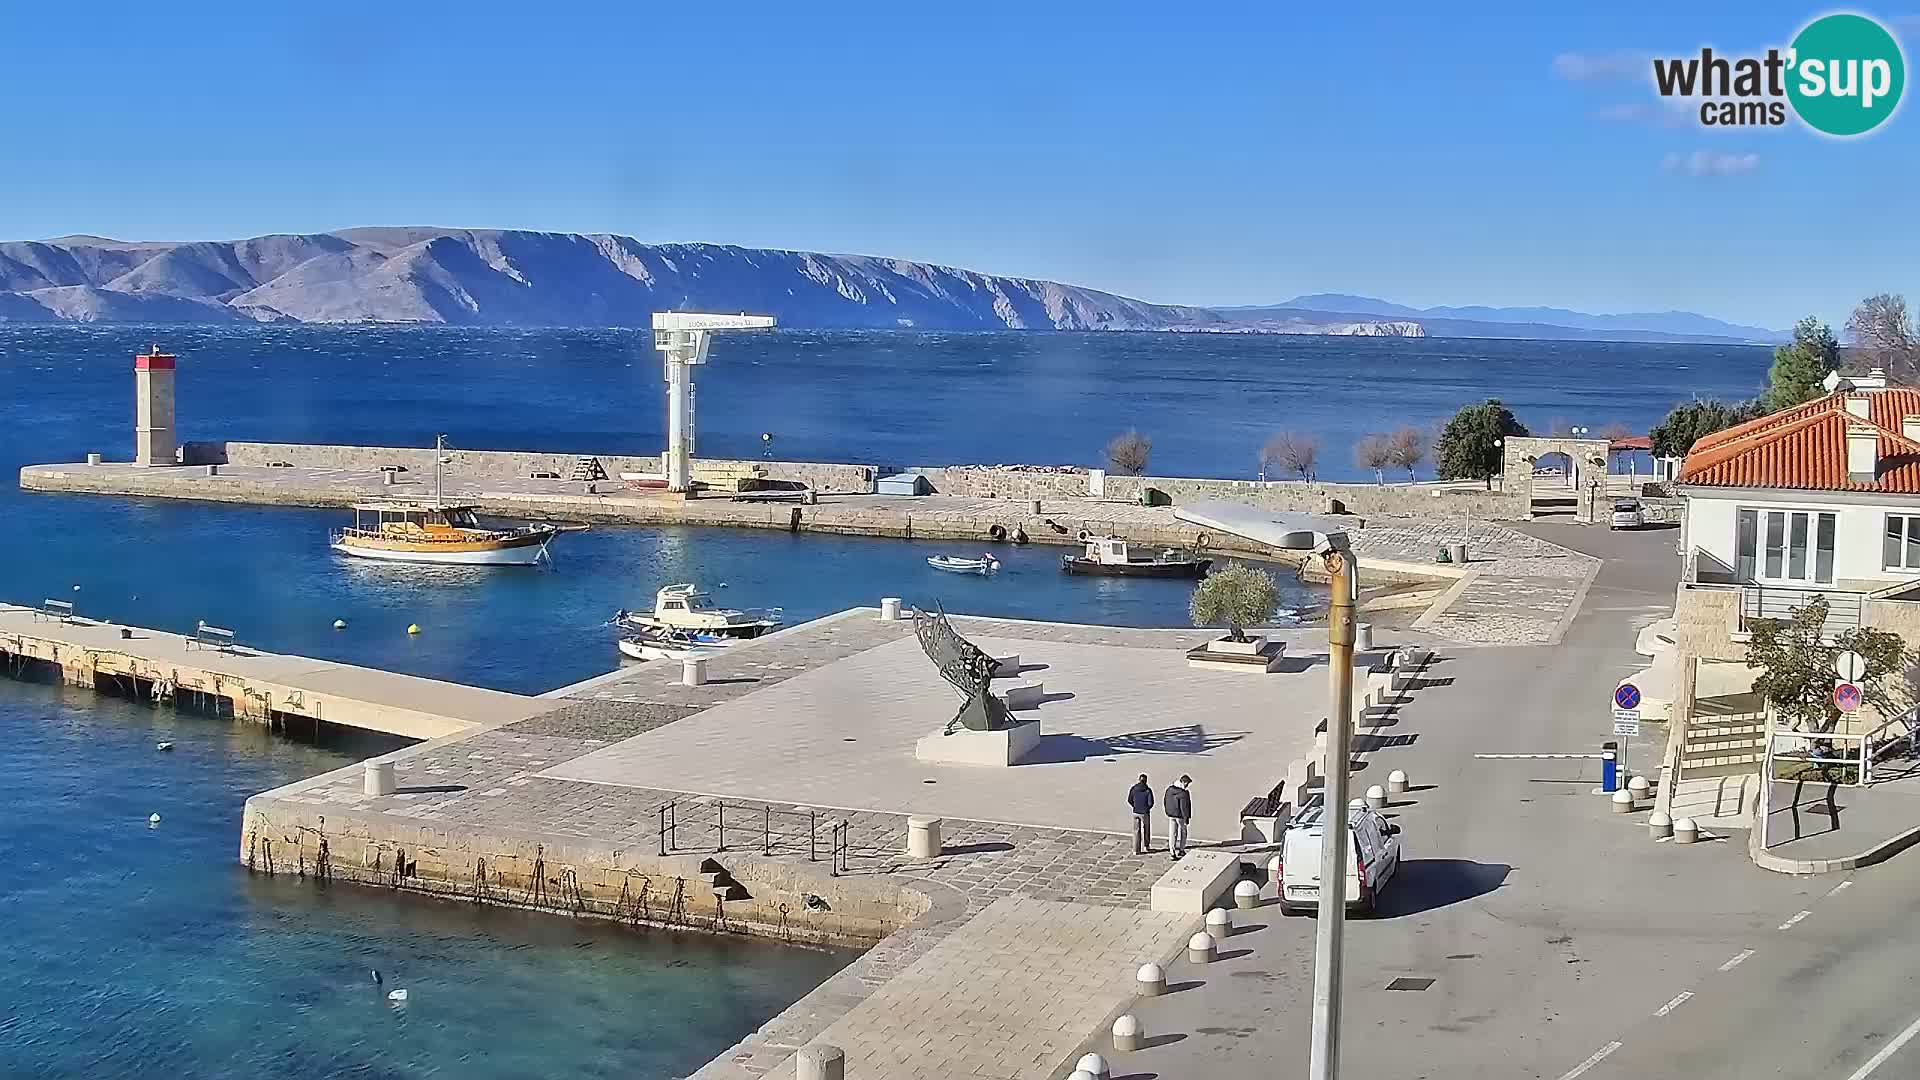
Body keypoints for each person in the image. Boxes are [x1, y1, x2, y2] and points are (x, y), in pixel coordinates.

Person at [1165, 775, 1193, 860]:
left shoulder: (1169, 790)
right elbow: (1184, 807)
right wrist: (1186, 818)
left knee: (1172, 833)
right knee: (1183, 832)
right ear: (1183, 782)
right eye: (1187, 783)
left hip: (1171, 815)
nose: (1187, 785)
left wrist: (1168, 811)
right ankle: (1181, 850)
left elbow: (1165, 801)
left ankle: (1172, 852)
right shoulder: (1183, 793)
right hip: (1180, 816)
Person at [1127, 774, 1155, 854]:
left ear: (1139, 780)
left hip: (1135, 812)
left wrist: (1135, 806)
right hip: (1145, 813)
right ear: (1146, 781)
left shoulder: (1133, 789)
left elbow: (1129, 800)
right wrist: (1147, 808)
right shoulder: (1148, 790)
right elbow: (1151, 803)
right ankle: (1146, 846)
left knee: (1136, 831)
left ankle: (1136, 850)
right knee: (1146, 829)